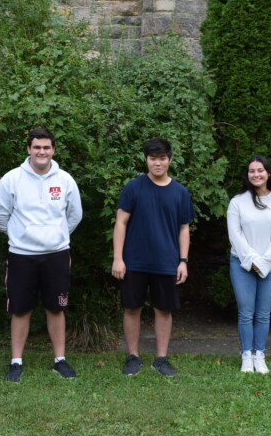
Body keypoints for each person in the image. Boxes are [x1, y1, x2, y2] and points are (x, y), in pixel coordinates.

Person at [0, 127, 83, 381]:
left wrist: (57, 234)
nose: (41, 152)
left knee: (56, 308)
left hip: (56, 254)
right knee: (20, 309)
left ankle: (60, 360)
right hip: (21, 254)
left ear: (53, 149)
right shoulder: (12, 179)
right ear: (28, 149)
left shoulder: (65, 179)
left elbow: (74, 215)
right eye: (37, 147)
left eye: (46, 147)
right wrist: (20, 235)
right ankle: (16, 362)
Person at [111, 138, 196, 377]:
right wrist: (118, 258)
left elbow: (184, 229)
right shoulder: (133, 187)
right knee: (132, 308)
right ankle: (133, 356)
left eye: (162, 158)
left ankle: (161, 358)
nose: (157, 163)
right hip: (134, 261)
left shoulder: (180, 192)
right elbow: (120, 223)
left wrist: (183, 261)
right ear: (146, 160)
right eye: (152, 158)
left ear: (169, 160)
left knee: (164, 310)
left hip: (166, 262)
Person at [227, 156, 271, 374]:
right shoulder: (237, 202)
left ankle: (259, 354)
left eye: (260, 170)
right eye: (251, 171)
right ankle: (246, 355)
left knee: (263, 313)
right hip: (241, 264)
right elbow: (235, 234)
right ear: (247, 175)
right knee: (246, 312)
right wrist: (252, 260)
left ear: (268, 174)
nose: (256, 174)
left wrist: (264, 262)